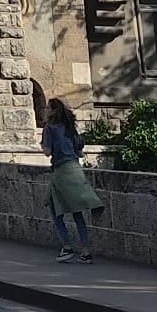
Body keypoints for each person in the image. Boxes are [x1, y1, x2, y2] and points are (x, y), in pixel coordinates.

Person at [41, 98, 104, 263]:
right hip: (76, 169)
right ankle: (85, 251)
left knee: (56, 212)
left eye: (48, 108)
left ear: (53, 111)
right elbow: (80, 150)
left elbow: (48, 152)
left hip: (61, 171)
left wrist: (43, 146)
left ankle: (67, 247)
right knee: (77, 214)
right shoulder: (70, 128)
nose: (45, 110)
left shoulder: (49, 128)